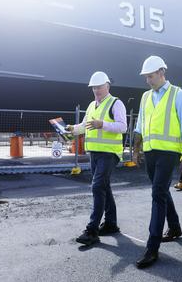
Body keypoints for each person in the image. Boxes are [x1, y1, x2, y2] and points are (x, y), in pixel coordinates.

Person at [131, 55, 182, 269]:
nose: (147, 80)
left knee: (157, 193)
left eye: (150, 76)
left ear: (161, 73)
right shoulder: (146, 97)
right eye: (146, 77)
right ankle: (174, 227)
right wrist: (136, 148)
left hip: (169, 153)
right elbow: (140, 124)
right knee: (162, 190)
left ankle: (152, 247)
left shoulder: (178, 94)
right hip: (150, 152)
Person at [67, 71, 127, 247]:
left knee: (98, 186)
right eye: (94, 87)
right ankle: (110, 224)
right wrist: (71, 129)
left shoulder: (116, 103)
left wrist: (103, 124)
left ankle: (92, 230)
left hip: (109, 153)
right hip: (94, 153)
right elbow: (84, 127)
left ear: (107, 86)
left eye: (99, 87)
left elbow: (123, 127)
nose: (96, 90)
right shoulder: (92, 105)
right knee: (104, 187)